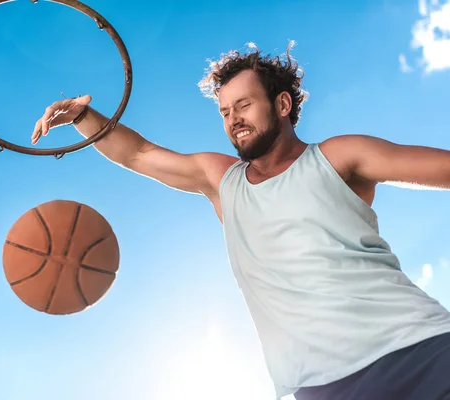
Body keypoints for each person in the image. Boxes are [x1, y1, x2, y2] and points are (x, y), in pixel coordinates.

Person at [31, 43, 450, 400]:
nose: (233, 119)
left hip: (422, 348)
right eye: (225, 111)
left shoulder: (338, 156)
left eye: (244, 105)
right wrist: (82, 117)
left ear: (282, 104)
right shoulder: (224, 181)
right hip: (323, 386)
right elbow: (137, 153)